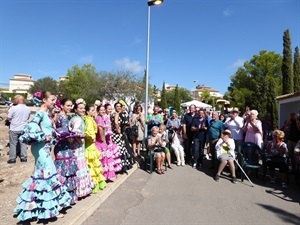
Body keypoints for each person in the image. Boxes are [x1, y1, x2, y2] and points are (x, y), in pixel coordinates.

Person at [14, 90, 72, 221]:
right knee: (47, 176)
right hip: (40, 149)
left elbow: (49, 128)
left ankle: (36, 208)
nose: (54, 102)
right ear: (44, 101)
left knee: (40, 177)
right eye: (52, 100)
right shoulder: (40, 113)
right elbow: (31, 126)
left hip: (44, 149)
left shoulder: (46, 114)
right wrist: (43, 137)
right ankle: (47, 210)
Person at [53, 98, 82, 205]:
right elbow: (61, 132)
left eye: (71, 106)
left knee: (66, 171)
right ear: (62, 106)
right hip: (63, 148)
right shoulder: (62, 116)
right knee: (64, 172)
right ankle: (63, 199)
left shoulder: (63, 116)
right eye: (68, 105)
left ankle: (66, 199)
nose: (70, 108)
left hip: (64, 146)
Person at [69, 98, 93, 198]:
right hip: (77, 148)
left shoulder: (75, 118)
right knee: (79, 167)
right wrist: (81, 140)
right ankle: (80, 191)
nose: (83, 110)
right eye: (80, 108)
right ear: (76, 110)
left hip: (76, 147)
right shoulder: (78, 119)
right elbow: (75, 132)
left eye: (84, 108)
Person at [84, 104, 107, 193]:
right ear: (88, 111)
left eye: (94, 110)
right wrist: (91, 138)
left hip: (92, 145)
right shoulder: (88, 120)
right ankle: (94, 184)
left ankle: (97, 183)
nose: (94, 112)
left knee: (95, 165)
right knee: (91, 165)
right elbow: (88, 133)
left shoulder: (91, 119)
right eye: (92, 110)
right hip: (89, 145)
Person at [6, 95, 31, 164]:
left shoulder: (13, 108)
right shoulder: (28, 109)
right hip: (23, 128)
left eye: (14, 99)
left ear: (18, 100)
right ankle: (24, 158)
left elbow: (8, 117)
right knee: (23, 143)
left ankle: (12, 159)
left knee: (13, 144)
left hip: (14, 128)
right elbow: (28, 117)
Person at [111, 102, 133, 173]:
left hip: (117, 134)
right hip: (116, 134)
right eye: (117, 106)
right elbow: (116, 123)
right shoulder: (116, 114)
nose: (119, 107)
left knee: (121, 149)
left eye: (120, 106)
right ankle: (120, 167)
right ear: (115, 107)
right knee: (120, 149)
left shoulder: (117, 114)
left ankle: (121, 166)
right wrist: (118, 131)